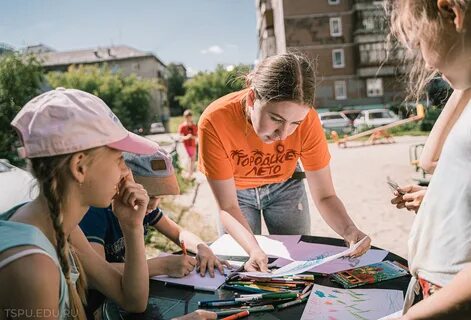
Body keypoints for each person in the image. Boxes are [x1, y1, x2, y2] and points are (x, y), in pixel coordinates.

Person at [0, 88, 215, 320]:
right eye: (119, 159)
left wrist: (132, 228)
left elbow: (133, 301)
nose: (126, 172)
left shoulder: (67, 230)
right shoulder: (31, 265)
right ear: (79, 167)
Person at [198, 52, 371, 273]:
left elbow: (325, 195)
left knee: (293, 268)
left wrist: (350, 230)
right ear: (252, 98)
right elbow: (228, 206)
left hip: (286, 187)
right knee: (241, 266)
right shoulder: (215, 120)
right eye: (276, 119)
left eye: (295, 123)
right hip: (236, 193)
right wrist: (254, 249)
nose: (284, 134)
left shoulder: (309, 121)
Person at [389, 0, 471, 318]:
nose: (426, 63)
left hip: (449, 302)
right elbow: (430, 159)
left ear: (452, 14)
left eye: (420, 41)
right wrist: (437, 198)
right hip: (432, 291)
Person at [178, 109, 198, 179]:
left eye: (189, 116)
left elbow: (196, 136)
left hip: (193, 145)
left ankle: (190, 174)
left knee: (193, 159)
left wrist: (192, 137)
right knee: (188, 159)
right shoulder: (182, 126)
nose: (188, 118)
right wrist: (186, 137)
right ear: (184, 117)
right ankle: (188, 174)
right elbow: (180, 136)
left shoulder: (194, 125)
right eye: (187, 116)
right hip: (185, 145)